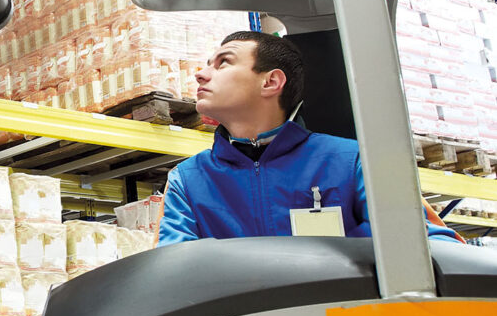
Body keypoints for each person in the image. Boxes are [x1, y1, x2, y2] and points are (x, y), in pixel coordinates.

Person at [158, 30, 461, 244]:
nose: (201, 74)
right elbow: (172, 275)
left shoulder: (354, 162)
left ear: (271, 81)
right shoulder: (188, 180)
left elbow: (428, 246)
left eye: (223, 62)